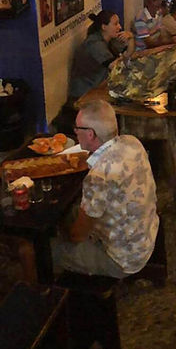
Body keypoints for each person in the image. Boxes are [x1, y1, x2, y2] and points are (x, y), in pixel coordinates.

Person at [20, 101, 158, 282]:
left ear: (90, 134)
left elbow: (78, 236)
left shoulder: (99, 176)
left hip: (122, 260)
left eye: (77, 128)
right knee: (72, 215)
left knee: (28, 249)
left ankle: (41, 299)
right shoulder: (132, 142)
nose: (75, 132)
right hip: (145, 236)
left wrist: (65, 236)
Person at [68, 11, 135, 100]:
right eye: (116, 24)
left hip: (99, 87)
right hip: (85, 93)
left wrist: (130, 37)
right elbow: (114, 66)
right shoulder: (94, 44)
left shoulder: (110, 38)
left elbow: (128, 54)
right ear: (104, 27)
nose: (120, 27)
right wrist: (123, 58)